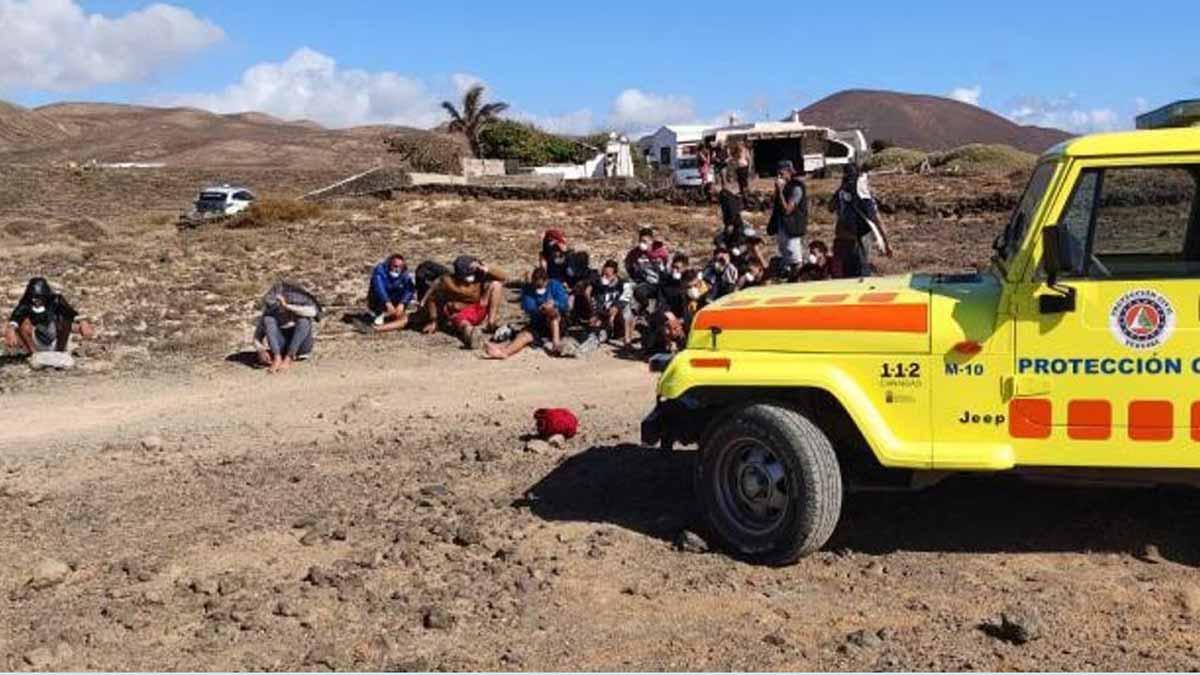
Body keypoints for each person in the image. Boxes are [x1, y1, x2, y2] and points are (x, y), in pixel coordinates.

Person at [421, 255, 507, 348]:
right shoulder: (447, 281)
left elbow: (503, 277)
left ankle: (491, 323)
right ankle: (471, 336)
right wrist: (433, 320)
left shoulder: (479, 275)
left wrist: (485, 268)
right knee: (464, 325)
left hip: (478, 307)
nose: (470, 278)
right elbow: (432, 298)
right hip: (460, 312)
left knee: (496, 285)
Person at [485, 268, 569, 360]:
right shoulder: (528, 289)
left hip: (558, 322)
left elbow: (564, 304)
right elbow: (528, 307)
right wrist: (540, 308)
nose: (538, 287)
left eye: (541, 285)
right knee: (524, 336)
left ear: (546, 280)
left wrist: (554, 303)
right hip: (538, 323)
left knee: (552, 313)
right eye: (536, 285)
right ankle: (505, 352)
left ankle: (555, 344)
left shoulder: (555, 285)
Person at [830, 163, 892, 278]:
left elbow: (831, 207)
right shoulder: (861, 193)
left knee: (850, 270)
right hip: (859, 235)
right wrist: (886, 242)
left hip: (846, 234)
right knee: (861, 268)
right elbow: (876, 218)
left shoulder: (842, 192)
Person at [4, 277, 94, 356]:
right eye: (33, 297)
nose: (35, 300)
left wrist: (83, 323)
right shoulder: (26, 303)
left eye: (39, 297)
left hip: (56, 340)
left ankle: (60, 352)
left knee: (64, 319)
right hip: (37, 340)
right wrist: (11, 329)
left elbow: (71, 314)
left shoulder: (56, 300)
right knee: (23, 322)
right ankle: (34, 354)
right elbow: (16, 318)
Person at [253, 282, 321, 374]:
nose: (280, 309)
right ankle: (277, 358)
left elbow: (313, 312)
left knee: (304, 321)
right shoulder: (271, 312)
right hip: (282, 348)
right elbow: (257, 337)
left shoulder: (296, 307)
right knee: (268, 320)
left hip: (301, 349)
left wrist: (287, 307)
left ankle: (289, 358)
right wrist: (260, 350)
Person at [766, 160, 808, 273]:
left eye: (781, 174)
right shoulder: (785, 188)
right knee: (785, 257)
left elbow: (787, 210)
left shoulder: (796, 188)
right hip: (782, 228)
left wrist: (779, 191)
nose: (779, 177)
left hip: (792, 228)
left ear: (789, 172)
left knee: (795, 258)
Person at [653, 269, 708, 355]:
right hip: (684, 329)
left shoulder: (709, 294)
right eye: (688, 287)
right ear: (682, 286)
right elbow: (663, 307)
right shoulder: (678, 295)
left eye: (695, 285)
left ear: (699, 282)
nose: (692, 289)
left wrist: (683, 320)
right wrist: (670, 317)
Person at [581, 259, 632, 347]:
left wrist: (616, 307)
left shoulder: (623, 283)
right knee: (598, 336)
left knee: (627, 310)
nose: (605, 277)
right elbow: (587, 292)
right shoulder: (597, 283)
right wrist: (593, 310)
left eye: (608, 275)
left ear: (615, 274)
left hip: (617, 316)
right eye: (604, 274)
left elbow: (627, 297)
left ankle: (627, 340)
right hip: (603, 314)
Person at [361, 253, 416, 333]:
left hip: (396, 299)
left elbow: (409, 289)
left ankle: (378, 327)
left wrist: (402, 303)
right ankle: (379, 315)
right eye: (395, 266)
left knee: (403, 319)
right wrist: (387, 302)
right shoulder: (380, 271)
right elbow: (379, 288)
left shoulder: (405, 274)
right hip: (381, 300)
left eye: (400, 267)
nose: (397, 269)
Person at [624, 227, 669, 313]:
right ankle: (644, 308)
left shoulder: (660, 252)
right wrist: (636, 277)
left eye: (645, 241)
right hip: (646, 283)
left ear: (651, 241)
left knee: (664, 298)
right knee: (638, 291)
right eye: (641, 241)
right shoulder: (634, 253)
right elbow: (628, 265)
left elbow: (667, 267)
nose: (642, 243)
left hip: (660, 283)